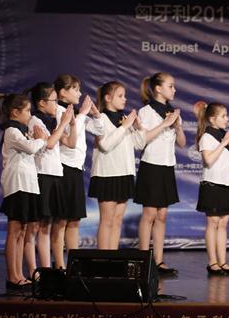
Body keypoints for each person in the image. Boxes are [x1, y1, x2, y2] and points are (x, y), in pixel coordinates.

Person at [87, 81, 176, 249]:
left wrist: (139, 128)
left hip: (124, 173)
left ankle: (112, 258)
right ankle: (103, 259)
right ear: (108, 98)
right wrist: (125, 127)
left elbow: (139, 144)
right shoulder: (101, 119)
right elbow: (105, 145)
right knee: (107, 220)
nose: (125, 99)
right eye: (120, 96)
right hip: (107, 174)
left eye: (125, 96)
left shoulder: (124, 118)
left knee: (117, 220)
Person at [0, 93, 49, 291]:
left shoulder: (22, 132)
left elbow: (37, 149)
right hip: (17, 185)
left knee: (23, 231)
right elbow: (30, 148)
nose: (29, 114)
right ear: (15, 112)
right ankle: (12, 276)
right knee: (15, 231)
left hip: (28, 184)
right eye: (26, 110)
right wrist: (40, 139)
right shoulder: (11, 131)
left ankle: (19, 274)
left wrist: (39, 140)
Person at [135, 72, 186, 276]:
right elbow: (142, 140)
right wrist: (164, 124)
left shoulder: (173, 112)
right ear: (158, 88)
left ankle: (158, 260)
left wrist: (178, 126)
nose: (174, 89)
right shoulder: (146, 111)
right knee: (149, 214)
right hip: (151, 165)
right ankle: (143, 261)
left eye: (174, 86)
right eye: (170, 86)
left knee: (162, 215)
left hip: (167, 166)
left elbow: (181, 143)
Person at [25, 82, 73, 274]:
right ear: (42, 103)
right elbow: (50, 144)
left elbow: (58, 142)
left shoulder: (49, 122)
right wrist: (63, 123)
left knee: (47, 226)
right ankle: (33, 270)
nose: (57, 105)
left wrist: (64, 125)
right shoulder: (35, 121)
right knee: (34, 227)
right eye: (54, 101)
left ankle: (46, 270)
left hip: (54, 174)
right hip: (42, 175)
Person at [194, 102, 229, 276]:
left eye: (226, 115)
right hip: (211, 184)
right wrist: (223, 144)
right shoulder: (207, 137)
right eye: (223, 116)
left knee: (223, 223)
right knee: (213, 222)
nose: (226, 119)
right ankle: (213, 262)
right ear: (213, 119)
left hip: (225, 184)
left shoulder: (224, 136)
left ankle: (223, 261)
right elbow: (208, 160)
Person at [52, 74, 92, 269]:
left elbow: (97, 128)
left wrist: (88, 114)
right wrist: (82, 114)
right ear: (63, 92)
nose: (79, 93)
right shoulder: (59, 112)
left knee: (74, 220)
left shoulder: (72, 112)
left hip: (75, 169)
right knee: (61, 220)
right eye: (75, 89)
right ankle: (60, 265)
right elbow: (68, 141)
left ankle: (74, 265)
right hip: (63, 168)